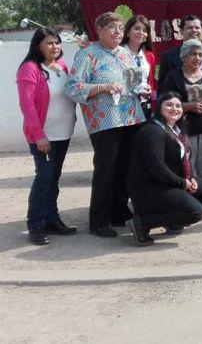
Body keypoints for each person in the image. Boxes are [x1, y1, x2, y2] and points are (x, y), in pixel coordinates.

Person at [66, 12, 147, 238]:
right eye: (112, 27)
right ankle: (98, 221)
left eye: (120, 29)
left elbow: (133, 82)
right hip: (105, 122)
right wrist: (102, 87)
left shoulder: (125, 54)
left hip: (132, 117)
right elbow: (72, 88)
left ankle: (119, 212)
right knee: (106, 171)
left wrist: (142, 89)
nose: (117, 32)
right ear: (98, 30)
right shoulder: (87, 55)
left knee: (126, 169)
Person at [126, 92, 202, 246]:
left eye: (178, 105)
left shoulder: (176, 129)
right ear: (159, 108)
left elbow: (186, 158)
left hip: (167, 182)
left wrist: (192, 178)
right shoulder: (153, 131)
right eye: (169, 105)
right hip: (150, 187)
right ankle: (143, 222)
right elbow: (157, 167)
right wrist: (182, 183)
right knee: (196, 212)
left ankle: (171, 219)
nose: (174, 108)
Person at [17, 28, 77, 245]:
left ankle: (52, 218)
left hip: (63, 133)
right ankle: (35, 225)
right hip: (44, 136)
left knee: (53, 178)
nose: (55, 47)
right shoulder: (30, 69)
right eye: (49, 43)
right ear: (38, 46)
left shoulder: (62, 67)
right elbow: (27, 106)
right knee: (44, 178)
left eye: (57, 42)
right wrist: (39, 135)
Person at [159, 39, 202, 220]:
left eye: (201, 54)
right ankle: (188, 207)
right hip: (184, 130)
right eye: (193, 54)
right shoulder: (174, 76)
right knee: (187, 171)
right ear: (184, 57)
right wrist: (189, 106)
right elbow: (166, 102)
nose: (198, 58)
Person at [158, 14, 202, 87]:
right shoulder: (168, 56)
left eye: (197, 28)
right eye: (189, 28)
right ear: (181, 31)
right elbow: (163, 86)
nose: (194, 30)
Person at [121, 15, 157, 119]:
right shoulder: (117, 54)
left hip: (144, 106)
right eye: (136, 28)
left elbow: (151, 81)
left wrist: (150, 93)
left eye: (144, 30)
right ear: (127, 32)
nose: (141, 32)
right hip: (123, 107)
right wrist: (133, 91)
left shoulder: (149, 56)